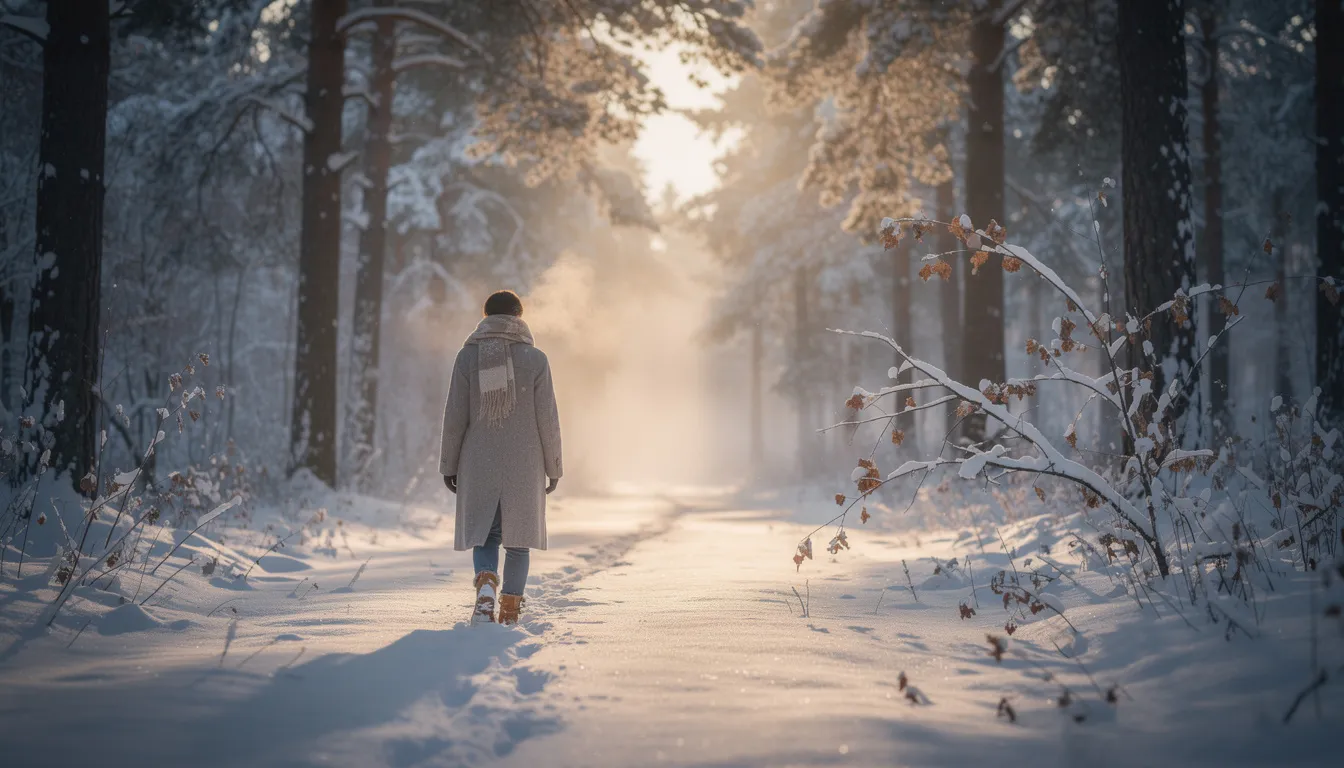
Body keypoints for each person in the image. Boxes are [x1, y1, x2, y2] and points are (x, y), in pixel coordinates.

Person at [440, 290, 563, 625]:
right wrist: (554, 467)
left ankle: (485, 587)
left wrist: (448, 465)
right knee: (518, 541)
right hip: (525, 460)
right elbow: (547, 420)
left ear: (486, 318)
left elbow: (455, 417)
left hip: (478, 458)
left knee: (485, 534)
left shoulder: (468, 358)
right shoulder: (536, 359)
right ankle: (509, 611)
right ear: (518, 317)